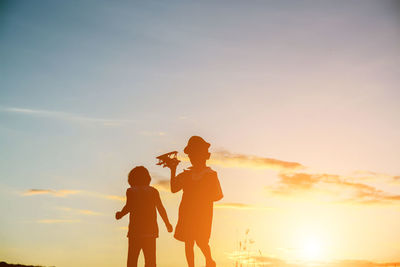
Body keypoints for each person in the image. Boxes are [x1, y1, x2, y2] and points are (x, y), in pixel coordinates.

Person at [168, 136, 223, 267]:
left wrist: (202, 197)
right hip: (187, 212)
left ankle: (209, 260)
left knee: (201, 241)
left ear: (204, 156)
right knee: (189, 242)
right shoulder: (186, 174)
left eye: (196, 155)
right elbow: (174, 189)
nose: (193, 158)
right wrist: (172, 170)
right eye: (192, 156)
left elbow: (217, 195)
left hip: (202, 214)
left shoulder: (210, 175)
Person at [116, 166, 173, 267]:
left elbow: (129, 206)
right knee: (150, 261)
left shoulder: (131, 191)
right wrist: (167, 223)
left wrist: (120, 214)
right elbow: (161, 208)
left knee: (132, 260)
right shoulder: (153, 191)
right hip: (151, 231)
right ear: (147, 178)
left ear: (132, 179)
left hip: (135, 231)